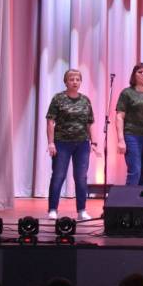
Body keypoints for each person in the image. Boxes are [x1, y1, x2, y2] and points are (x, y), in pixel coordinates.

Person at [45, 69, 96, 220]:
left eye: (77, 79)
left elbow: (90, 123)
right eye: (71, 79)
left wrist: (94, 142)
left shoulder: (85, 100)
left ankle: (81, 210)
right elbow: (50, 122)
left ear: (81, 82)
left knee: (81, 177)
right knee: (58, 176)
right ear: (66, 81)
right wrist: (51, 143)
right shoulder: (58, 99)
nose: (75, 82)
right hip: (62, 143)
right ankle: (52, 209)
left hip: (82, 144)